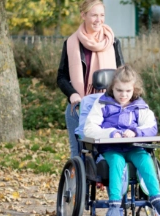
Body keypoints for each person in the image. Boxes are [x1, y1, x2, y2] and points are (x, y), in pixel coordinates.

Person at [83, 64, 160, 216]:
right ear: (112, 88)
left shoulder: (140, 106)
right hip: (110, 148)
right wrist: (111, 133)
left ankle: (157, 199)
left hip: (133, 147)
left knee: (145, 159)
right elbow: (89, 129)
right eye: (119, 90)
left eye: (128, 91)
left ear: (134, 90)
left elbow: (151, 127)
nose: (123, 95)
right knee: (117, 162)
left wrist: (136, 132)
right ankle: (115, 205)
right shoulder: (102, 104)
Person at [57, 0, 124, 158]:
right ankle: (77, 182)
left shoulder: (112, 41)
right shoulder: (71, 43)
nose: (98, 19)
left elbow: (123, 75)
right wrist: (72, 93)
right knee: (79, 155)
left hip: (108, 106)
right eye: (94, 15)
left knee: (108, 153)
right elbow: (61, 77)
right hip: (80, 106)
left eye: (102, 15)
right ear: (83, 15)